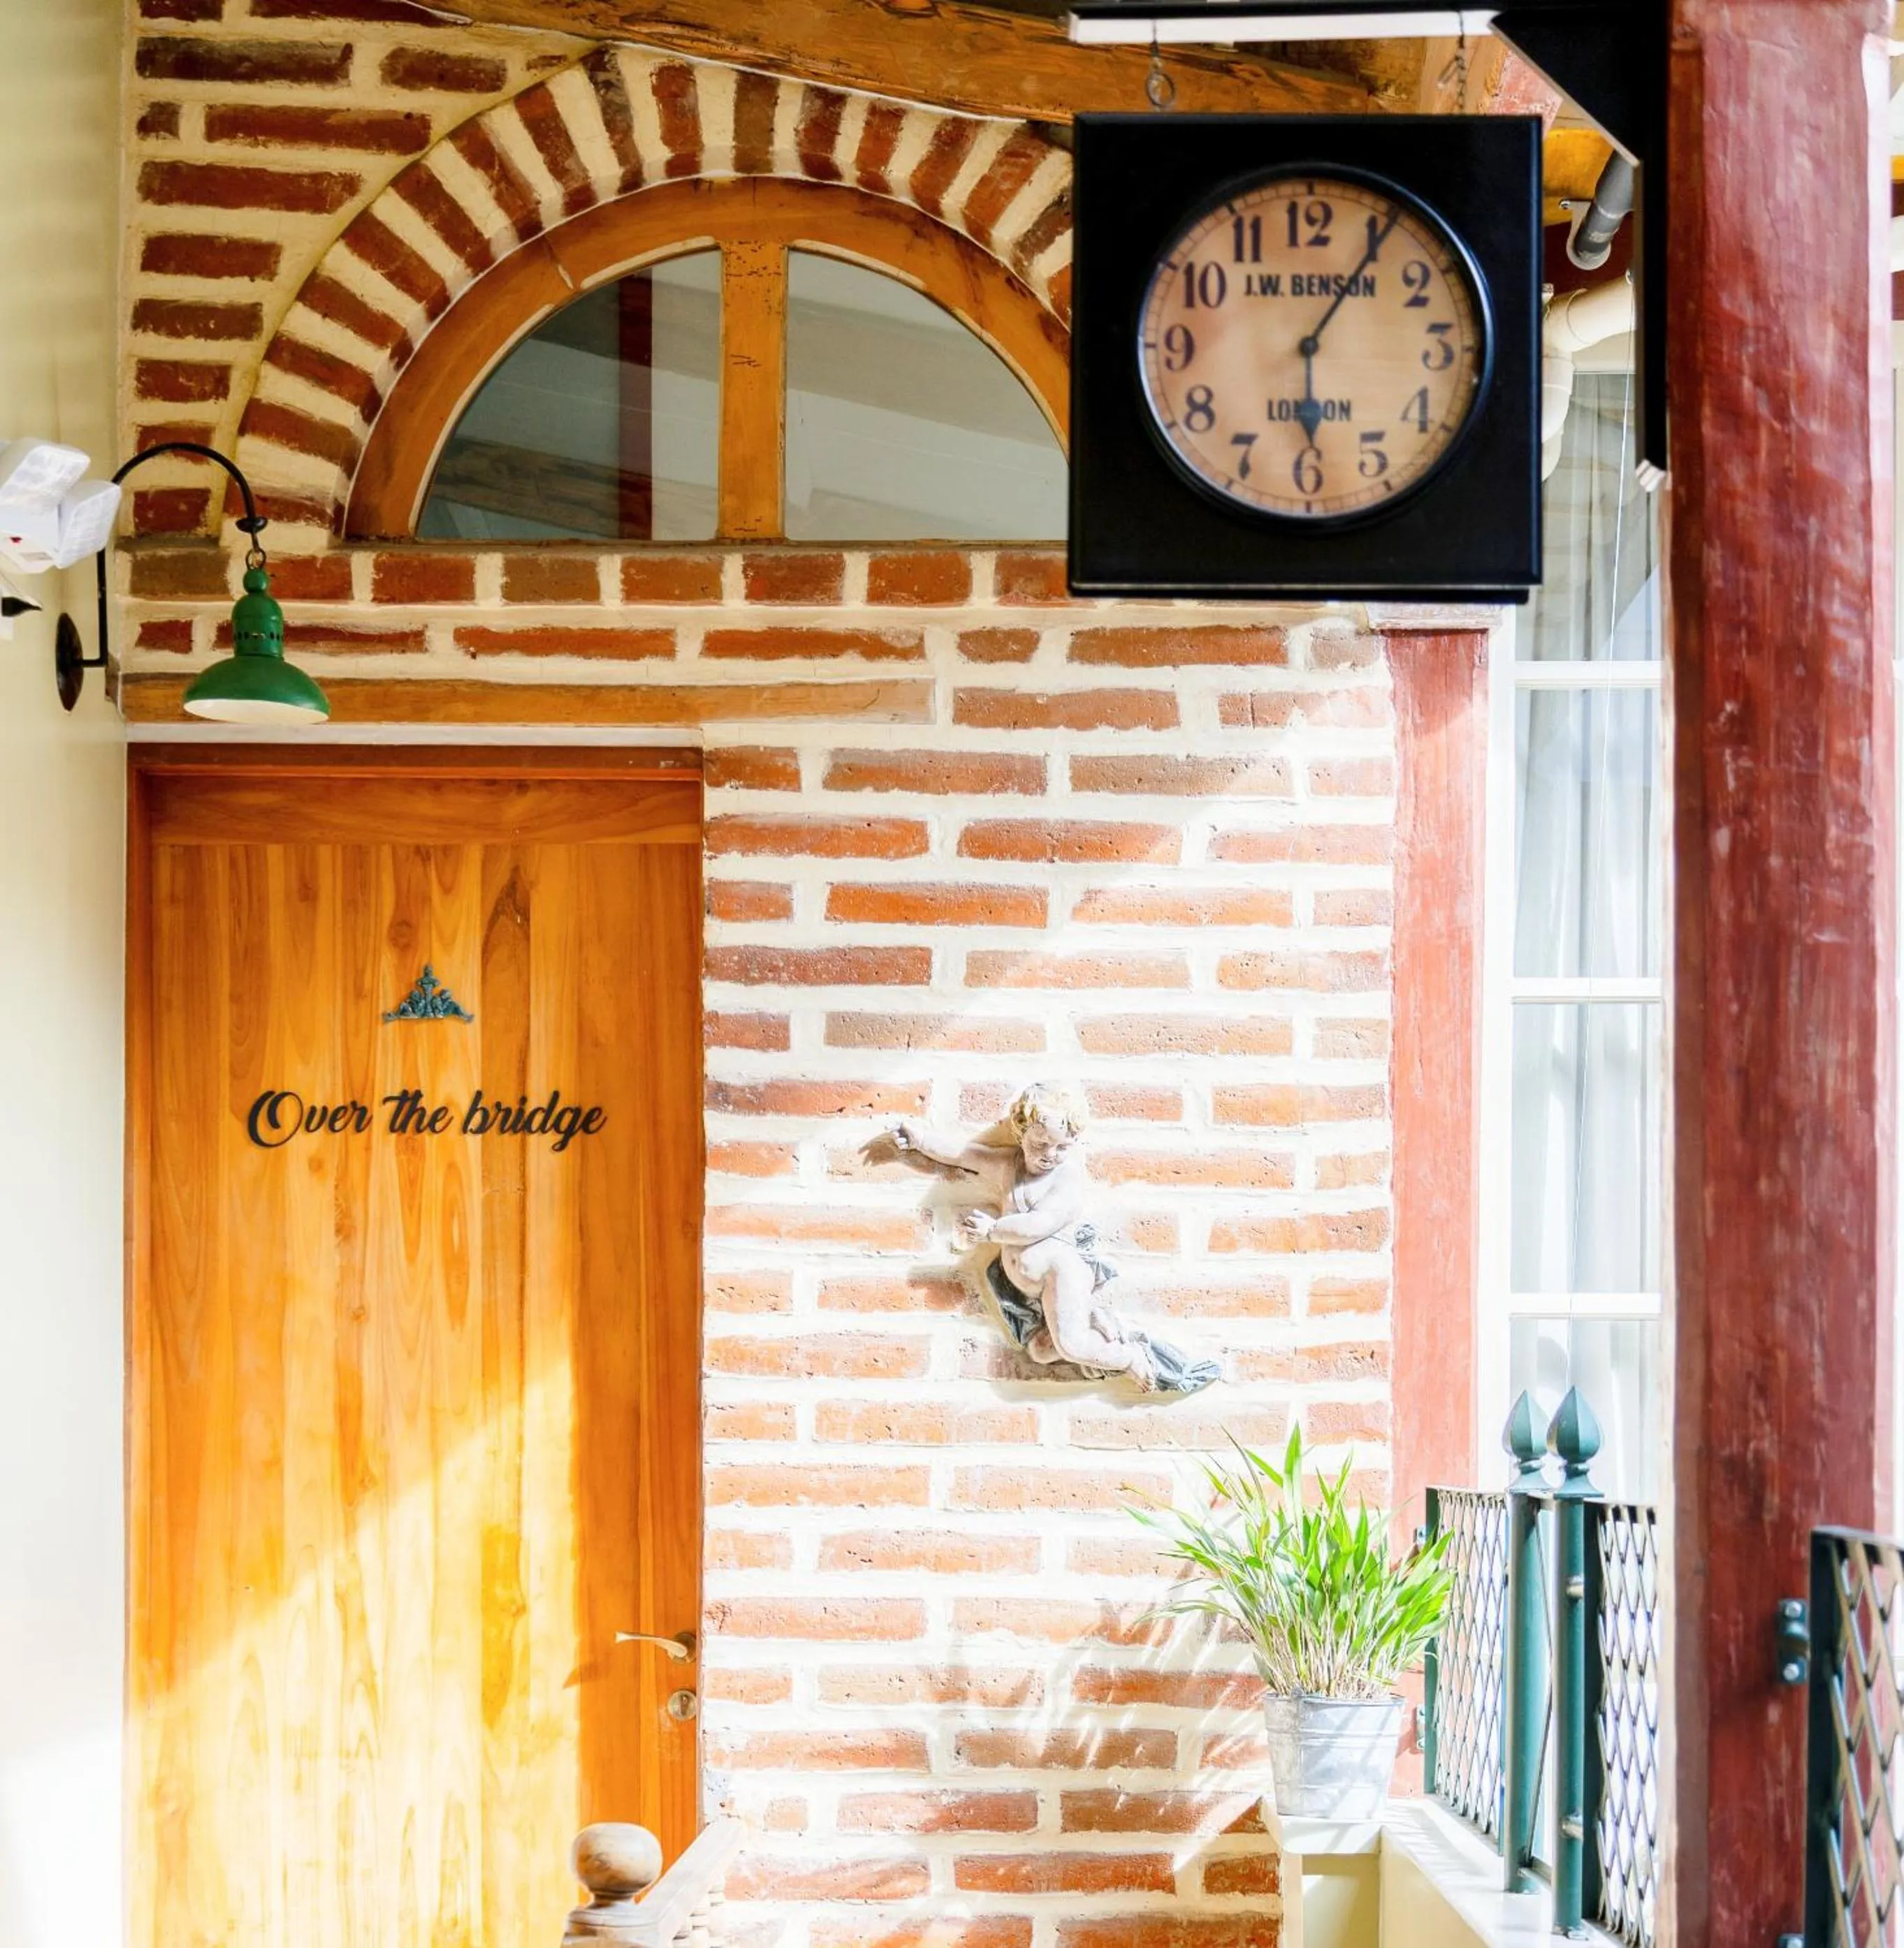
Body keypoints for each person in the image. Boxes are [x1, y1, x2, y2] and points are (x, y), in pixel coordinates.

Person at [886, 1083, 1219, 1397]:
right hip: (1036, 1290)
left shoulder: (1068, 1181)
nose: (1050, 1154)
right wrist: (920, 1141)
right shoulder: (1009, 1166)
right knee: (1041, 1350)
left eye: (1062, 1147)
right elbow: (963, 1154)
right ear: (1021, 1134)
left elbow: (1038, 1224)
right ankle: (1092, 1324)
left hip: (1062, 1275)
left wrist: (991, 1231)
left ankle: (1128, 1357)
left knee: (1071, 1346)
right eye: (1040, 1144)